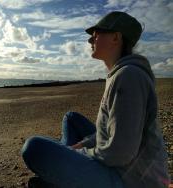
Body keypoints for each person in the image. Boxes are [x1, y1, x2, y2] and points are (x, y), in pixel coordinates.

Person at [21, 11, 170, 188]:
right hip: (125, 169)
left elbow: (120, 153)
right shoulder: (122, 74)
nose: (90, 41)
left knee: (34, 148)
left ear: (116, 37)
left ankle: (59, 178)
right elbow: (111, 132)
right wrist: (83, 144)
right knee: (71, 118)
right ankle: (60, 176)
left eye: (96, 35)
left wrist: (83, 152)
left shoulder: (128, 76)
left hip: (131, 180)